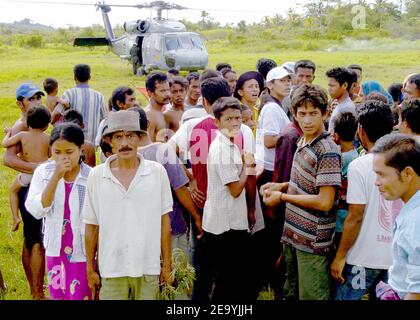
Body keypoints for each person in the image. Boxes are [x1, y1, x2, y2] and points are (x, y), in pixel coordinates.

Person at [169, 77, 258, 301]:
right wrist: (250, 208)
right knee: (229, 270)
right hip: (230, 208)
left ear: (205, 101)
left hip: (202, 203)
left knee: (203, 265)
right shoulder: (243, 130)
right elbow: (249, 177)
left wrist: (189, 179)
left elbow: (169, 151)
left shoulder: (192, 125)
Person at [261, 84, 342, 300]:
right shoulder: (302, 140)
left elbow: (325, 201)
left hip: (313, 241)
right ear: (294, 114)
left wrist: (283, 197)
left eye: (313, 113)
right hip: (294, 235)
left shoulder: (327, 150)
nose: (307, 120)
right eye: (302, 114)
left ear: (325, 114)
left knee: (311, 295)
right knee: (291, 291)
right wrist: (281, 186)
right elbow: (306, 184)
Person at [83, 110, 173, 300]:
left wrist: (166, 265)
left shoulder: (157, 172)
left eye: (130, 136)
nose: (124, 143)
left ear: (140, 139)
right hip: (111, 268)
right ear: (110, 141)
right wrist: (90, 268)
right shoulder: (97, 176)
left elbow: (164, 222)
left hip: (148, 266)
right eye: (118, 137)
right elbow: (91, 225)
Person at [330, 100, 402, 300]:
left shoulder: (359, 165)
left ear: (360, 130)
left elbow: (355, 216)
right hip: (396, 258)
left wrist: (340, 256)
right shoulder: (406, 162)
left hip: (362, 258)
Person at [25, 123, 92, 300]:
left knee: (82, 294)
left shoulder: (91, 177)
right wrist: (56, 177)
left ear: (80, 149)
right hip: (56, 248)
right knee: (58, 295)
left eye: (69, 152)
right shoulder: (43, 173)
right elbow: (38, 210)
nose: (63, 158)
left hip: (83, 250)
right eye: (57, 152)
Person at [203, 96, 255, 300]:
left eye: (238, 118)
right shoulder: (221, 149)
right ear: (217, 122)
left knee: (233, 278)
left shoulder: (230, 144)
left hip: (230, 220)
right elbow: (235, 189)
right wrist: (248, 166)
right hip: (224, 225)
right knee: (227, 280)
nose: (235, 123)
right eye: (229, 119)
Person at [3, 83, 46, 300]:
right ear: (20, 103)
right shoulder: (21, 126)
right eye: (32, 98)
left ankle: (35, 290)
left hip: (34, 186)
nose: (37, 101)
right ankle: (37, 292)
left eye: (39, 97)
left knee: (34, 239)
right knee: (36, 240)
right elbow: (8, 159)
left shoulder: (35, 123)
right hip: (30, 188)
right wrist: (41, 169)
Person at [371, 134, 420, 300]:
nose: (377, 182)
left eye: (382, 174)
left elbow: (417, 290)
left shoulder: (415, 221)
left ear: (407, 173)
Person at [2, 106, 51, 233]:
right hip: (44, 172)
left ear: (27, 123)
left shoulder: (22, 135)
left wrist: (8, 132)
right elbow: (51, 156)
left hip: (28, 174)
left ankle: (15, 217)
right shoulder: (48, 138)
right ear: (46, 125)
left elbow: (4, 144)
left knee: (13, 190)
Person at [330, 112, 359, 248]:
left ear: (336, 135)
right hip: (349, 216)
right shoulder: (356, 154)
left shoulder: (338, 158)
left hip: (339, 219)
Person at [58, 64, 107, 143]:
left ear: (74, 77)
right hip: (92, 141)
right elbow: (105, 118)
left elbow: (57, 113)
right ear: (89, 77)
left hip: (72, 139)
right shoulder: (99, 96)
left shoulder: (68, 94)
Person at [326, 67, 356, 132]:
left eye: (332, 86)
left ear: (344, 85)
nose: (329, 89)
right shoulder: (340, 105)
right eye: (328, 85)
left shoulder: (346, 109)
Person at [145, 72, 171, 142]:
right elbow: (148, 147)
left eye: (168, 90)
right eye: (162, 91)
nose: (167, 94)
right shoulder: (150, 115)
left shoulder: (162, 112)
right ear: (150, 93)